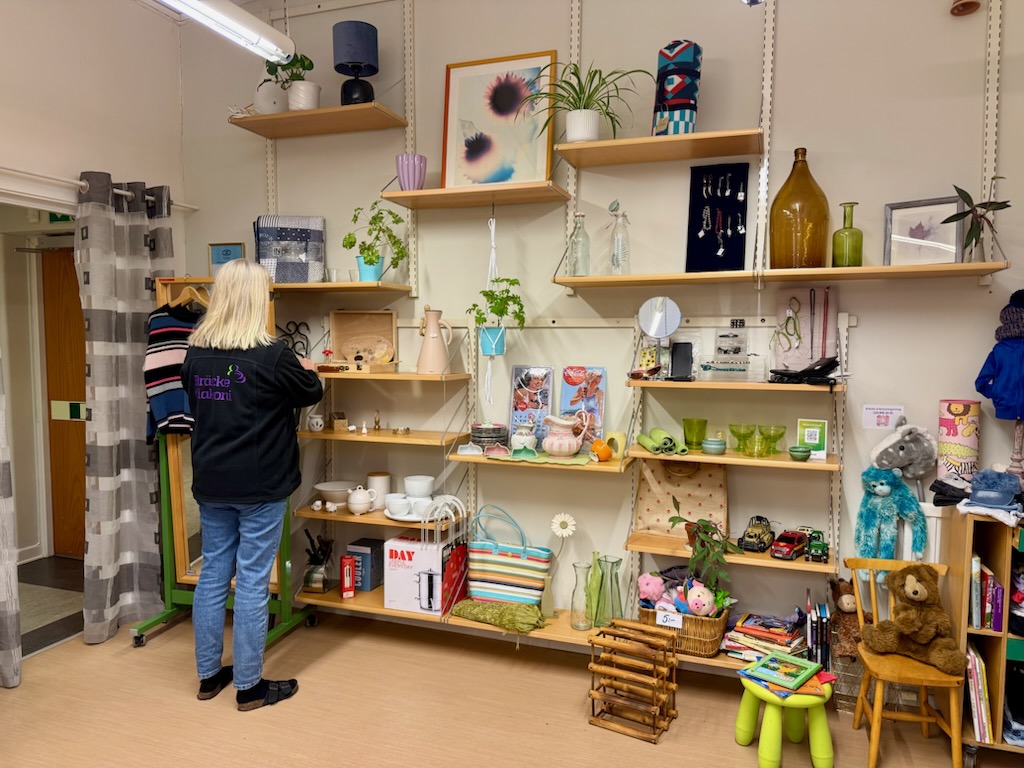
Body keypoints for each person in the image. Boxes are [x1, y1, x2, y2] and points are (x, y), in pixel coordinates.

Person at [181, 260, 322, 711]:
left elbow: (200, 403)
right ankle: (249, 686)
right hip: (260, 485)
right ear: (257, 299)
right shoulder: (273, 354)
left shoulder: (195, 354)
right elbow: (311, 391)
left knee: (213, 575)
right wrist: (308, 368)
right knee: (253, 581)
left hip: (212, 481)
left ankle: (208, 677)